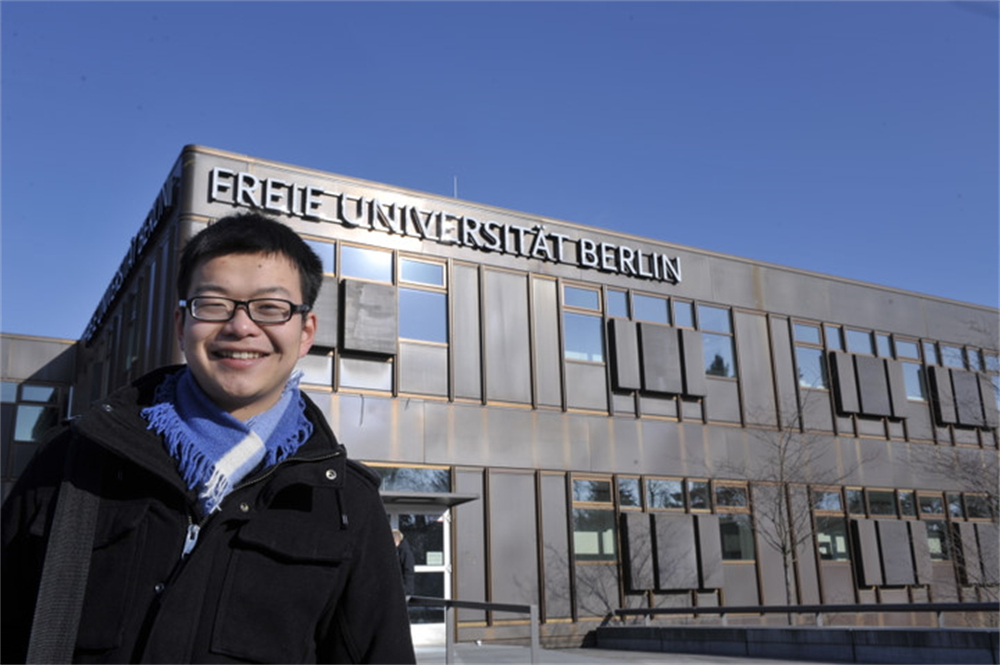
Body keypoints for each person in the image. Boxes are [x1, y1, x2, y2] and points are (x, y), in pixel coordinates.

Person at [1, 213, 416, 664]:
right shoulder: (72, 461)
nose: (241, 326)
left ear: (305, 333)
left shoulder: (346, 504)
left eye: (270, 308)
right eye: (214, 304)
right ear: (182, 325)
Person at [392, 529, 416, 600]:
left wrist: (405, 590)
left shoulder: (404, 552)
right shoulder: (400, 551)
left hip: (404, 590)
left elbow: (408, 571)